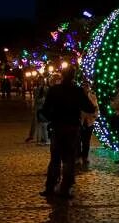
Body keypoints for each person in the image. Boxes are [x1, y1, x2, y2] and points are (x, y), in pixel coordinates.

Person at [40, 67, 96, 198]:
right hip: (72, 128)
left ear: (62, 76)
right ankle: (66, 188)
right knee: (69, 158)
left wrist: (52, 118)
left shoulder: (55, 90)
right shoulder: (77, 91)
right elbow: (89, 107)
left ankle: (50, 187)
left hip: (58, 126)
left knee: (55, 158)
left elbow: (46, 109)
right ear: (74, 76)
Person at [79, 79, 99, 167]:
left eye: (87, 86)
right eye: (84, 85)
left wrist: (95, 115)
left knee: (86, 141)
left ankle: (85, 156)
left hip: (90, 121)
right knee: (78, 140)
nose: (86, 87)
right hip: (80, 120)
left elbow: (96, 107)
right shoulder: (78, 96)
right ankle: (78, 156)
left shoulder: (92, 96)